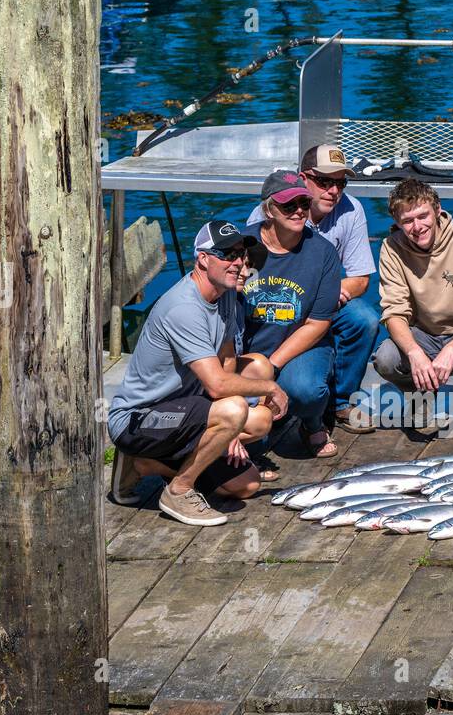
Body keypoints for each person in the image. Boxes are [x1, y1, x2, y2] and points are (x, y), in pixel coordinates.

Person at [107, 219, 288, 527]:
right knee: (234, 408)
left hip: (185, 407)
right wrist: (265, 391)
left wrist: (226, 431)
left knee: (246, 484)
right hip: (140, 419)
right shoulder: (183, 307)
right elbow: (217, 385)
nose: (238, 263)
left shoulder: (226, 293)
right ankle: (178, 490)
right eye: (228, 255)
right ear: (203, 259)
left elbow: (227, 360)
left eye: (241, 254)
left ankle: (144, 465)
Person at [248, 144, 379, 435]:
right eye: (324, 181)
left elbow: (360, 279)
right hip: (284, 298)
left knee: (365, 319)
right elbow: (255, 280)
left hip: (326, 296)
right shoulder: (267, 214)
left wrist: (326, 292)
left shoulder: (352, 209)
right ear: (303, 178)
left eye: (340, 183)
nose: (333, 190)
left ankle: (341, 401)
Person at [372, 179, 453, 429]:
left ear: (437, 209)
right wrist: (414, 353)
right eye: (407, 221)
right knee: (385, 358)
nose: (417, 227)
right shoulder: (391, 247)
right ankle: (420, 391)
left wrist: (452, 349)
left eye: (423, 216)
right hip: (422, 332)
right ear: (398, 223)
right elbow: (394, 311)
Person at [241, 168, 343, 458]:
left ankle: (311, 422)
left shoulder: (322, 252)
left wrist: (271, 367)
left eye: (303, 203)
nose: (299, 211)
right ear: (268, 210)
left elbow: (318, 322)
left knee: (305, 390)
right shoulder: (243, 245)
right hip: (250, 348)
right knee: (251, 447)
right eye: (288, 205)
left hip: (301, 345)